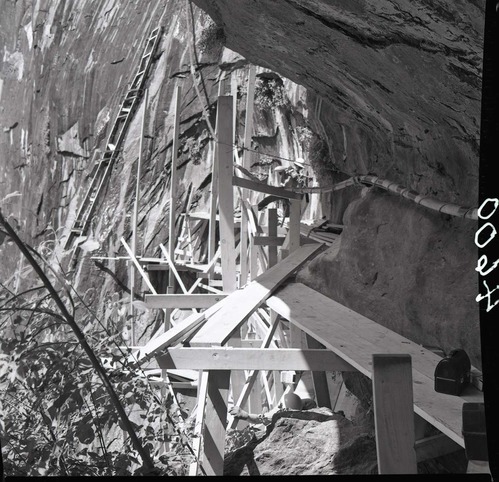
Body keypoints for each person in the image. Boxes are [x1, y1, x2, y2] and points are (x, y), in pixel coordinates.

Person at [229, 391, 317, 426]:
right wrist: (245, 416)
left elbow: (259, 419)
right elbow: (260, 419)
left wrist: (245, 416)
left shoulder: (281, 412)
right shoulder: (293, 403)